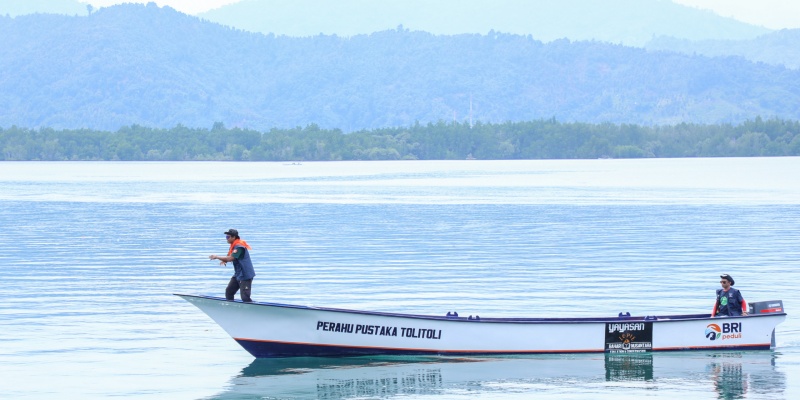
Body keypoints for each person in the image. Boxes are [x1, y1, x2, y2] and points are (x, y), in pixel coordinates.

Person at [209, 229, 256, 302]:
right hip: (238, 274)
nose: (226, 239)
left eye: (228, 237)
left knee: (245, 297)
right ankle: (230, 308)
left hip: (245, 275)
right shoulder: (233, 246)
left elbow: (231, 258)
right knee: (229, 291)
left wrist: (216, 257)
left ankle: (252, 311)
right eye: (226, 237)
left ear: (234, 237)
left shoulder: (239, 247)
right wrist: (224, 260)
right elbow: (230, 256)